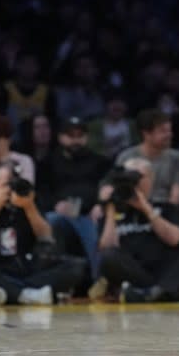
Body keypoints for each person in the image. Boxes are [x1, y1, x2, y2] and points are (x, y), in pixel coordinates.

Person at [0, 161, 85, 306]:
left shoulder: (29, 201)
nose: (11, 189)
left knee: (76, 266)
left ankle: (7, 292)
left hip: (25, 267)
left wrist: (29, 207)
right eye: (6, 184)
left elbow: (46, 236)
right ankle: (26, 294)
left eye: (14, 184)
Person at [97, 157, 179, 303]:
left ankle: (145, 293)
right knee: (107, 256)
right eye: (129, 178)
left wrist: (146, 208)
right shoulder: (113, 212)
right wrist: (111, 208)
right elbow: (107, 247)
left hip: (166, 268)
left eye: (139, 177)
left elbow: (174, 239)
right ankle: (166, 291)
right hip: (134, 270)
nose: (134, 183)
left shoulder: (165, 208)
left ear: (151, 180)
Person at [41, 117, 111, 279]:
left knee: (92, 228)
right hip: (59, 214)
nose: (76, 140)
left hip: (89, 214)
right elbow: (42, 191)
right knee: (50, 221)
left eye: (80, 136)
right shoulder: (49, 162)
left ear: (86, 138)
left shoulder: (99, 161)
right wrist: (55, 204)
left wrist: (100, 205)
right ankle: (51, 280)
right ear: (60, 137)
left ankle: (99, 281)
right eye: (71, 136)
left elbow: (107, 186)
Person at [114, 110, 179, 205]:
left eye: (169, 130)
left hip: (165, 208)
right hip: (134, 207)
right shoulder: (126, 157)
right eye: (163, 131)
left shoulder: (176, 158)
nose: (169, 135)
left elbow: (177, 192)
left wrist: (168, 213)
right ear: (146, 134)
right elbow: (119, 190)